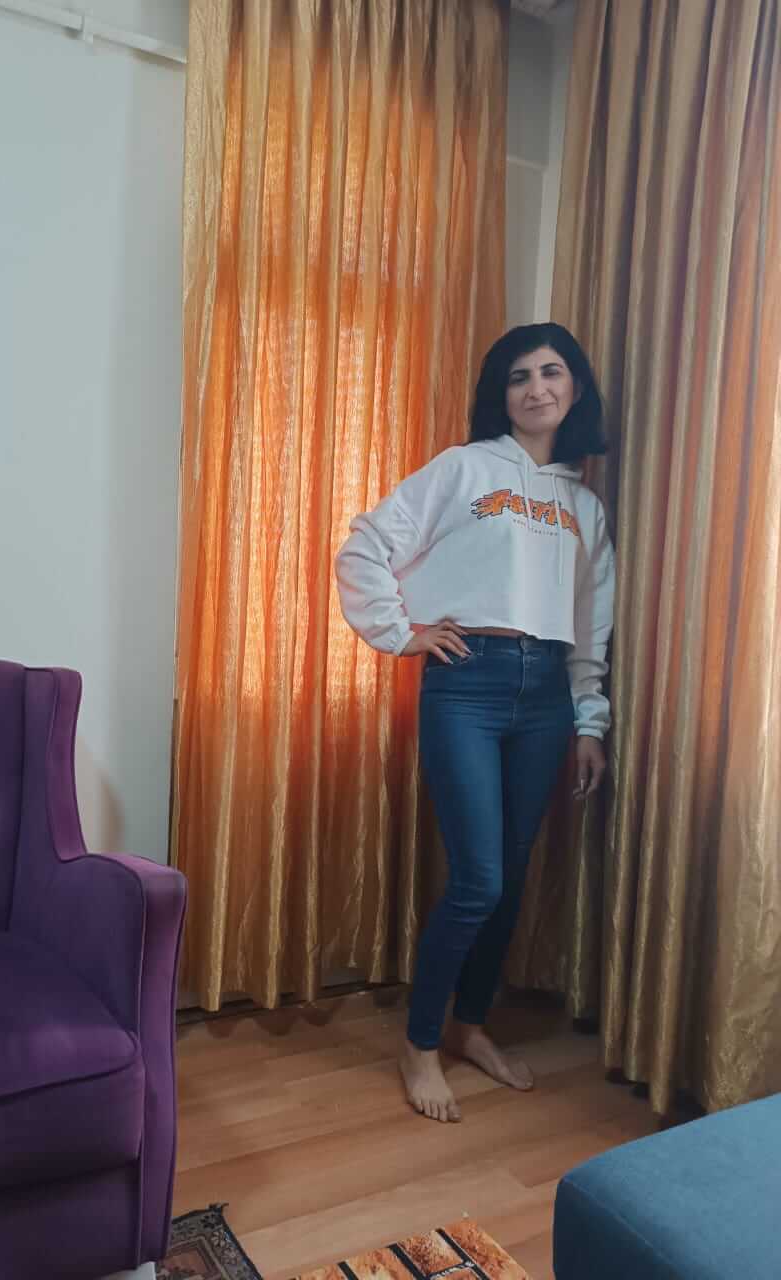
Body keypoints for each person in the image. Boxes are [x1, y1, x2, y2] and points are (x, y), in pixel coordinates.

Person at [335, 323, 615, 1123]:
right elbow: (365, 546)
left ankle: (470, 1024)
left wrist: (588, 722)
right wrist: (402, 632)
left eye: (551, 372)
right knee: (478, 879)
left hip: (547, 695)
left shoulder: (585, 506)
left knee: (512, 877)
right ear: (502, 393)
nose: (536, 388)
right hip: (469, 682)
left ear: (574, 387)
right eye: (518, 376)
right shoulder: (463, 468)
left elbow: (591, 623)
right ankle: (421, 1043)